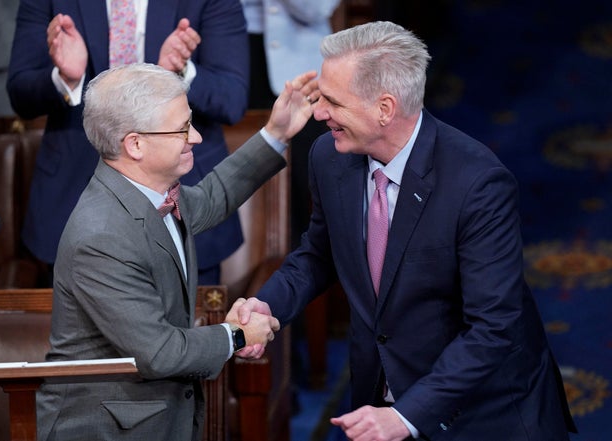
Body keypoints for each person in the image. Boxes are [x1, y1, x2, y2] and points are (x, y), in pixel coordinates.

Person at [239, 21, 577, 440]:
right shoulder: (329, 157)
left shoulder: (477, 184)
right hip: (380, 399)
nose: (319, 113)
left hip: (482, 414)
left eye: (333, 102)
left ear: (385, 108)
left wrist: (405, 416)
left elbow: (493, 329)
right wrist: (267, 305)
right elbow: (320, 253)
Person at [36, 62, 319, 441]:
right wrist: (236, 335)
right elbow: (160, 351)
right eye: (182, 128)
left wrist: (276, 132)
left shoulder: (149, 193)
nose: (197, 138)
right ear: (135, 144)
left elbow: (214, 196)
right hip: (109, 429)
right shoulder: (100, 236)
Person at [7, 0, 250, 285]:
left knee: (186, 328)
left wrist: (178, 74)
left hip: (182, 197)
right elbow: (20, 91)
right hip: (73, 194)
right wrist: (65, 79)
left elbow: (232, 99)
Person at [240, 0, 341, 246]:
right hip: (232, 57)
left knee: (308, 185)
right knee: (242, 175)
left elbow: (318, 9)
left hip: (301, 72)